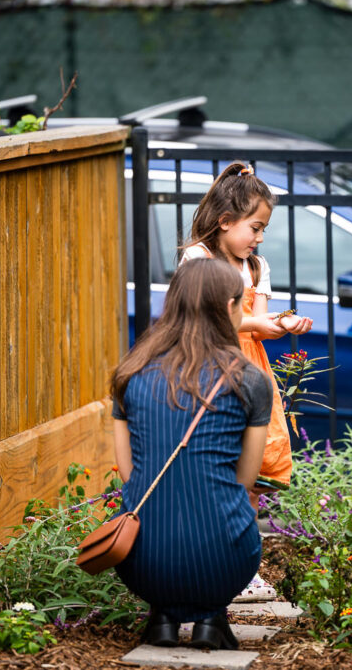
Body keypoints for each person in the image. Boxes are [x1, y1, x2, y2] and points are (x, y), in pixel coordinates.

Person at [110, 258, 273, 649]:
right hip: (226, 564)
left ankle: (161, 618)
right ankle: (212, 619)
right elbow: (245, 480)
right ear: (231, 307)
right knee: (231, 514)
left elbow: (129, 474)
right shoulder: (249, 380)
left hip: (140, 563)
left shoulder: (129, 374)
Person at [178, 161, 313, 601]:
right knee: (212, 466)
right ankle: (198, 561)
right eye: (254, 227)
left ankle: (240, 569)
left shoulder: (256, 267)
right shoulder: (198, 258)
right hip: (207, 367)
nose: (257, 238)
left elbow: (256, 321)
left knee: (249, 472)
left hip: (249, 371)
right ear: (224, 221)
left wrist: (283, 322)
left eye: (263, 231)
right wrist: (258, 324)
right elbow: (203, 317)